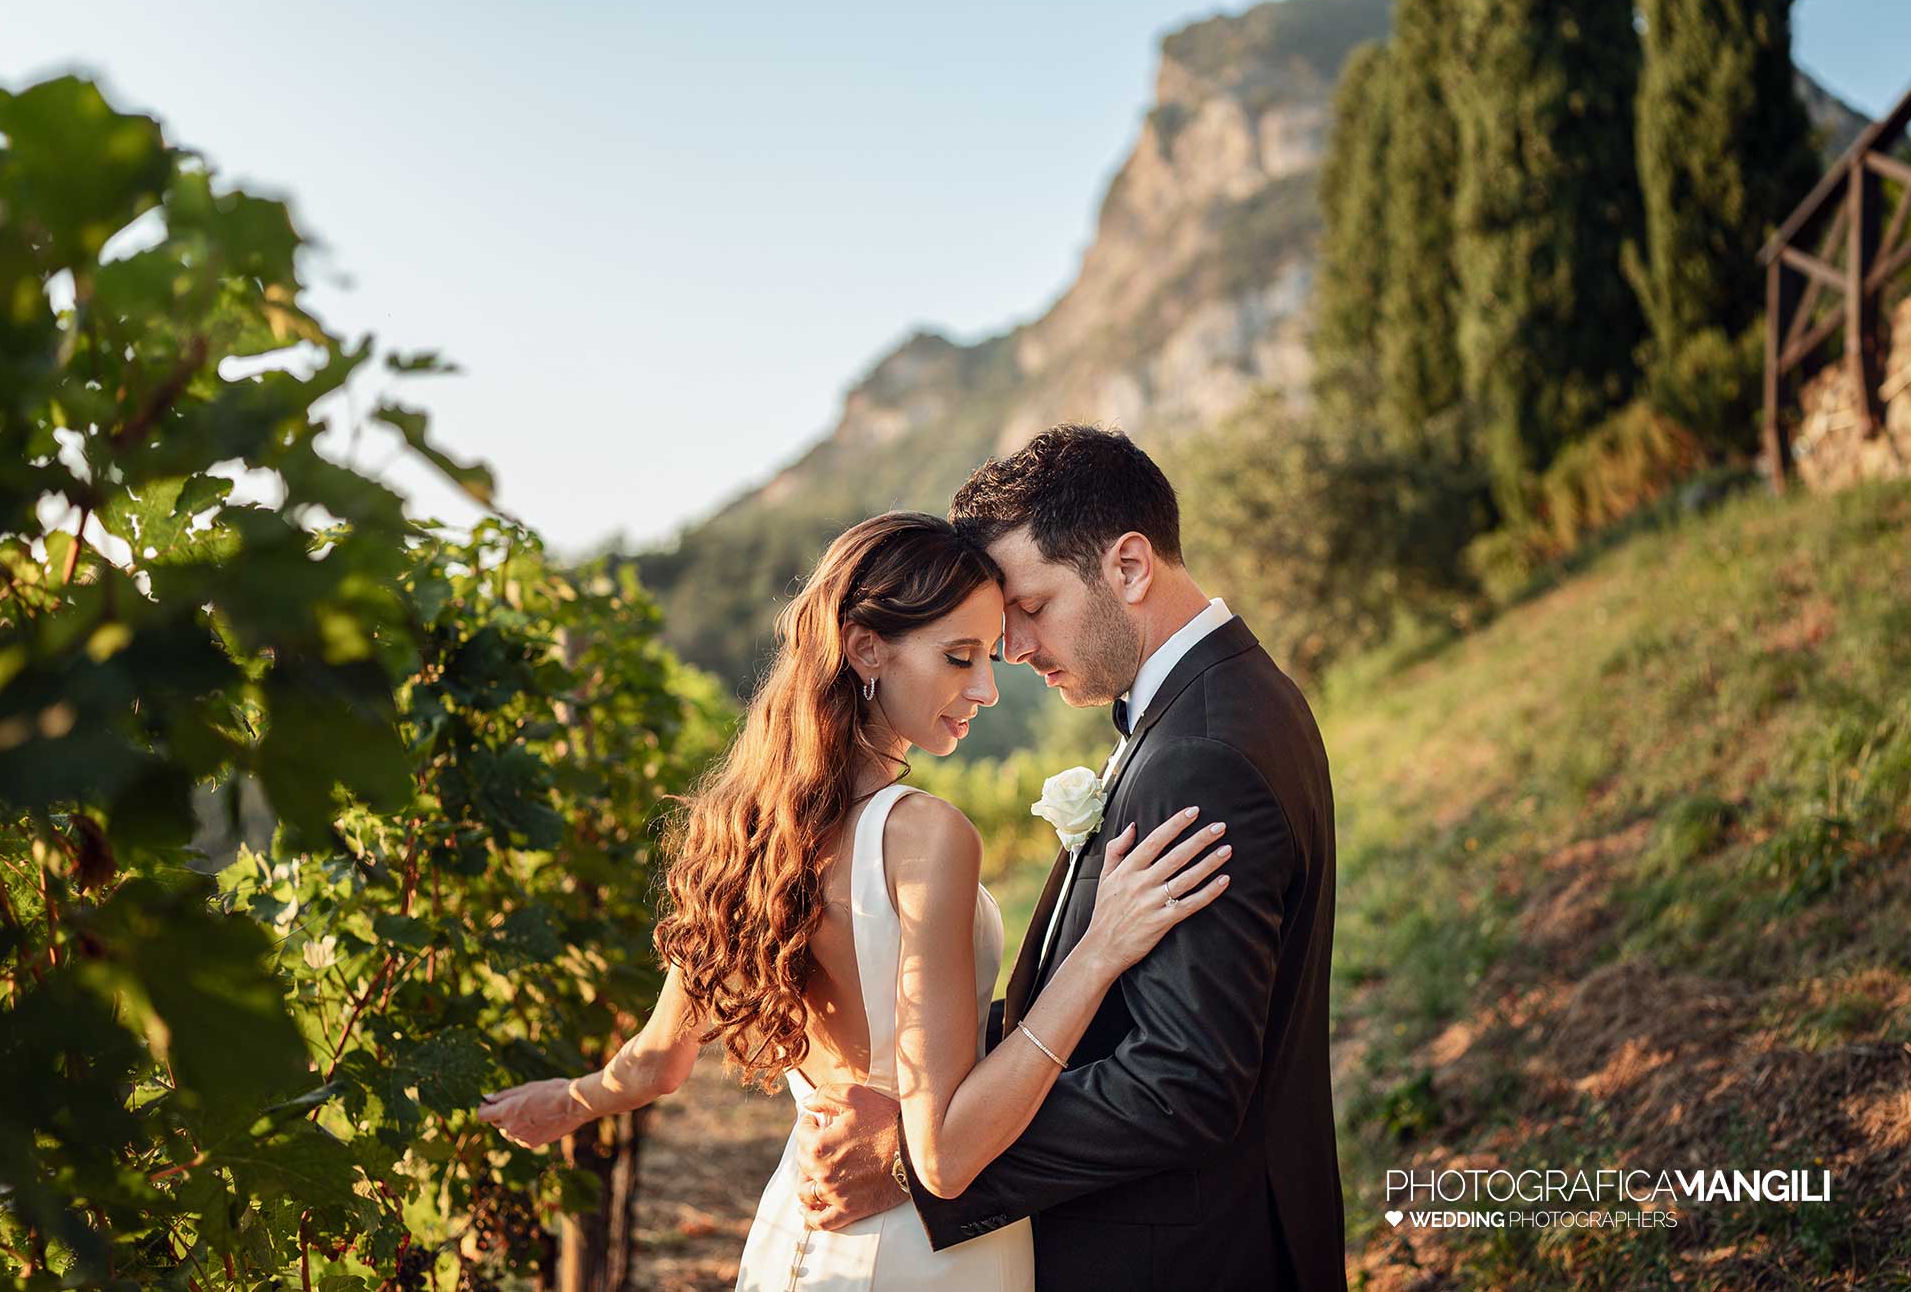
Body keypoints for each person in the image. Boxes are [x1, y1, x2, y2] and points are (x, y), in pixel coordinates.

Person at [476, 510, 1230, 1290]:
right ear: (867, 649)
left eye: (988, 659)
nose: (984, 688)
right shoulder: (926, 836)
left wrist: (563, 1102)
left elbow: (656, 1066)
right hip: (921, 1251)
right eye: (958, 657)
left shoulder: (750, 833)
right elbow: (941, 1154)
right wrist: (1100, 952)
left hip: (796, 1227)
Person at [794, 427, 1347, 1290]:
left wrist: (924, 1155)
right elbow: (1142, 1010)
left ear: (1127, 566)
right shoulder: (1221, 703)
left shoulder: (1201, 751)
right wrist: (939, 1076)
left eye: (1032, 606)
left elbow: (1184, 1082)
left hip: (1182, 1259)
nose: (1010, 648)